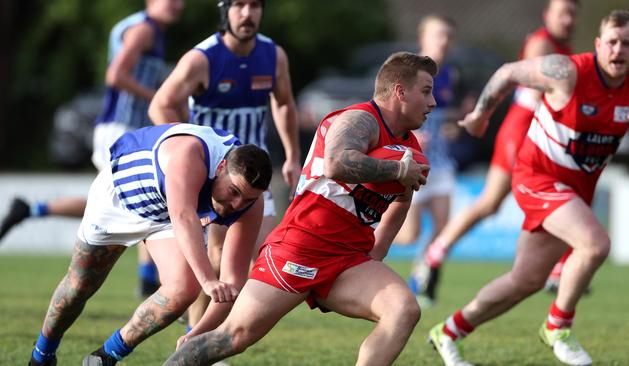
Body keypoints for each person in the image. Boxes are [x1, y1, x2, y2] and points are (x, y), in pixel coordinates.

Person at [162, 51, 434, 366]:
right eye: (426, 92)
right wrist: (398, 171)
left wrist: (378, 251)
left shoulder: (410, 147)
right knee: (233, 337)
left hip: (348, 259)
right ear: (400, 91)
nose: (433, 103)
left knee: (403, 310)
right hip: (299, 248)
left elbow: (402, 197)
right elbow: (336, 164)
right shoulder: (359, 119)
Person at [429, 10, 629, 366]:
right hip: (537, 178)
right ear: (598, 45)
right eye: (611, 42)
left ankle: (448, 332)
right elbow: (506, 73)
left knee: (525, 280)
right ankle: (557, 328)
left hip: (575, 191)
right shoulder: (568, 71)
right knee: (595, 244)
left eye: (626, 43)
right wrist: (482, 115)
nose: (618, 50)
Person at [27, 123, 272, 366]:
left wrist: (197, 334)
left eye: (248, 198)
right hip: (120, 199)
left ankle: (104, 358)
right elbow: (184, 218)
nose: (237, 204)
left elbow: (232, 285)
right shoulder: (189, 154)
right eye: (234, 192)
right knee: (78, 286)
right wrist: (208, 279)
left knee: (183, 290)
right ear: (221, 167)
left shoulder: (251, 205)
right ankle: (42, 355)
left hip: (165, 217)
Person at [0, 0, 185, 298]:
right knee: (143, 201)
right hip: (120, 129)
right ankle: (150, 280)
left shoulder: (155, 32)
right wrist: (158, 96)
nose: (177, 4)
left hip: (128, 130)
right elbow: (115, 75)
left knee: (118, 200)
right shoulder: (143, 30)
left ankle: (30, 210)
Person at [148, 0, 301, 332]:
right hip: (219, 178)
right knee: (217, 257)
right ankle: (196, 336)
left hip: (254, 178)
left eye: (255, 5)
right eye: (239, 5)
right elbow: (161, 104)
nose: (247, 14)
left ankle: (209, 334)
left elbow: (285, 103)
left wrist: (292, 156)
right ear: (225, 11)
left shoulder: (273, 55)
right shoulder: (202, 58)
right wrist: (182, 154)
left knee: (263, 255)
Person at [414, 0, 580, 304]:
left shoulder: (564, 47)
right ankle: (558, 268)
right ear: (547, 15)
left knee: (495, 203)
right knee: (517, 198)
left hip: (542, 133)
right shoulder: (541, 43)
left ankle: (434, 257)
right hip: (524, 131)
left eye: (573, 12)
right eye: (562, 12)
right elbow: (542, 90)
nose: (569, 19)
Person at [392, 14, 472, 307]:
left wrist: (457, 122)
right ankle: (364, 237)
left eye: (449, 36)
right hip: (413, 162)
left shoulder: (450, 73)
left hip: (441, 163)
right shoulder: (406, 72)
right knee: (409, 235)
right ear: (422, 38)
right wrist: (410, 135)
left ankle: (422, 280)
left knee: (442, 230)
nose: (445, 41)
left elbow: (443, 118)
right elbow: (391, 112)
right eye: (439, 35)